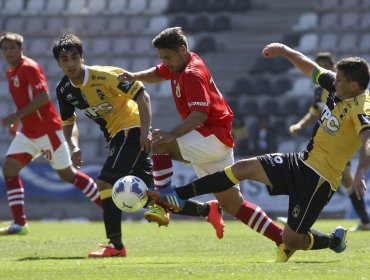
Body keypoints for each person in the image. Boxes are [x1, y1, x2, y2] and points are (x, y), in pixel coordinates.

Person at [148, 42, 370, 262]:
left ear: (353, 86)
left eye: (339, 79)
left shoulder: (362, 108)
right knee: (242, 168)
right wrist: (284, 50)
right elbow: (309, 67)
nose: (334, 80)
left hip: (319, 180)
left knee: (291, 240)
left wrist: (360, 171)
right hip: (301, 161)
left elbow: (368, 140)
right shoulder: (337, 86)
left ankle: (332, 241)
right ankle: (177, 195)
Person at [118, 27, 285, 247]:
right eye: (162, 57)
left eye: (167, 57)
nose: (165, 62)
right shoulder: (179, 64)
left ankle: (163, 204)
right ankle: (282, 239)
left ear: (183, 49)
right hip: (215, 139)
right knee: (234, 205)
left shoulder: (192, 73)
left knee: (160, 143)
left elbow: (200, 115)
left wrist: (172, 134)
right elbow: (159, 73)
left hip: (211, 135)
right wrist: (134, 76)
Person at [52, 33, 153, 257]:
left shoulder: (106, 75)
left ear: (82, 57)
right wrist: (74, 146)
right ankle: (206, 209)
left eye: (74, 57)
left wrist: (145, 133)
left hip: (131, 130)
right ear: (58, 63)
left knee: (105, 182)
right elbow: (68, 122)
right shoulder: (63, 90)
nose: (70, 63)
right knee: (152, 197)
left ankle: (116, 246)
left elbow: (143, 97)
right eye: (64, 59)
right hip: (116, 136)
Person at [0, 32, 103, 235]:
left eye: (12, 47)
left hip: (47, 131)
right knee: (10, 169)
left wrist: (16, 116)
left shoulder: (29, 67)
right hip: (29, 133)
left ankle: (109, 208)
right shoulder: (11, 73)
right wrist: (18, 121)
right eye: (5, 48)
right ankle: (19, 224)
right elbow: (25, 100)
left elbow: (43, 97)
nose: (8, 52)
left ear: (21, 49)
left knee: (68, 175)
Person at [289, 52, 370, 232]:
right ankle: (364, 220)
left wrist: (361, 171)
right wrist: (299, 125)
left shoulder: (346, 89)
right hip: (325, 140)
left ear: (333, 66)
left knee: (344, 180)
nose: (324, 68)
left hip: (339, 143)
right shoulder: (322, 88)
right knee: (343, 181)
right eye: (320, 64)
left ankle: (364, 220)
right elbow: (315, 111)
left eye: (326, 64)